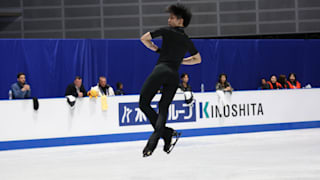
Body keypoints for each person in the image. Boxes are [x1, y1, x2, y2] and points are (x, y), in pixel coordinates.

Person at [139, 3, 201, 157]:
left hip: (161, 69)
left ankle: (165, 134)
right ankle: (160, 137)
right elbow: (198, 59)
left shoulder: (166, 31)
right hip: (173, 74)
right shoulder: (187, 39)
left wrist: (156, 49)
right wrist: (182, 61)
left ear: (181, 21)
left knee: (144, 103)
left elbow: (144, 38)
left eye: (172, 18)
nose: (168, 20)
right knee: (163, 107)